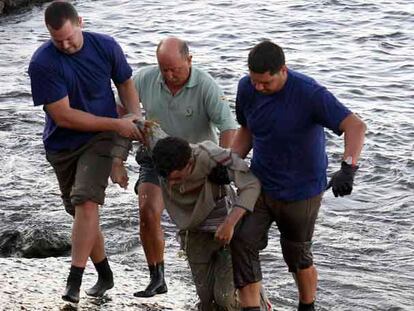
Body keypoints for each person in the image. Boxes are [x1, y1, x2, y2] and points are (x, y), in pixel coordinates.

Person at [230, 41, 367, 311]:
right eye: (254, 81)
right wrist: (230, 161)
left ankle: (307, 306)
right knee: (242, 242)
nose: (259, 88)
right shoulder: (247, 87)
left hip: (301, 191)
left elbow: (355, 126)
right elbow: (246, 130)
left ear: (283, 70)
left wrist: (348, 168)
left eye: (265, 83)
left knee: (297, 255)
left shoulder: (310, 93)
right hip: (259, 184)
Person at [28, 1, 143, 304]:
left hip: (101, 139)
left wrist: (134, 118)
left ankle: (74, 280)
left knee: (87, 203)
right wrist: (118, 123)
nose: (65, 45)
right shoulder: (42, 63)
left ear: (80, 21)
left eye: (70, 37)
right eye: (58, 40)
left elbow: (126, 83)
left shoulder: (105, 46)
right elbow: (63, 115)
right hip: (62, 144)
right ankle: (104, 273)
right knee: (81, 212)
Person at [114, 37, 238, 297]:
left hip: (197, 162)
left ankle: (228, 284)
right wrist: (117, 160)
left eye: (176, 69)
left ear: (189, 60)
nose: (169, 75)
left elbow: (228, 127)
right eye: (164, 69)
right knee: (148, 211)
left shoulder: (206, 86)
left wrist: (223, 163)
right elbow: (123, 116)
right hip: (156, 157)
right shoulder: (144, 79)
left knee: (203, 228)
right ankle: (157, 277)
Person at [112, 131, 260, 310]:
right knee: (206, 300)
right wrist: (117, 161)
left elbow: (252, 185)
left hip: (228, 230)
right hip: (193, 232)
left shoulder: (212, 155)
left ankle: (258, 300)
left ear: (189, 163)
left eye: (176, 178)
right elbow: (135, 123)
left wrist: (230, 223)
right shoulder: (159, 151)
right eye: (167, 180)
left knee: (224, 298)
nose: (172, 184)